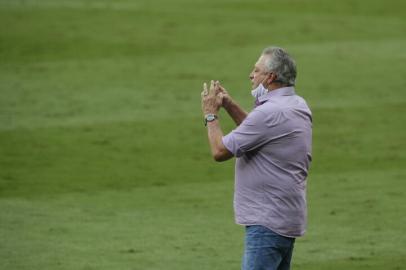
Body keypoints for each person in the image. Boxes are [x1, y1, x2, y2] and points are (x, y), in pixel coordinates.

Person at [200, 46, 312, 270]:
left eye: (256, 70)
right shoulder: (297, 104)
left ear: (270, 77)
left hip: (267, 222)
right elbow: (258, 131)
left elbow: (219, 151)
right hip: (286, 216)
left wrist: (210, 115)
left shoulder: (269, 113)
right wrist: (230, 105)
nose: (251, 75)